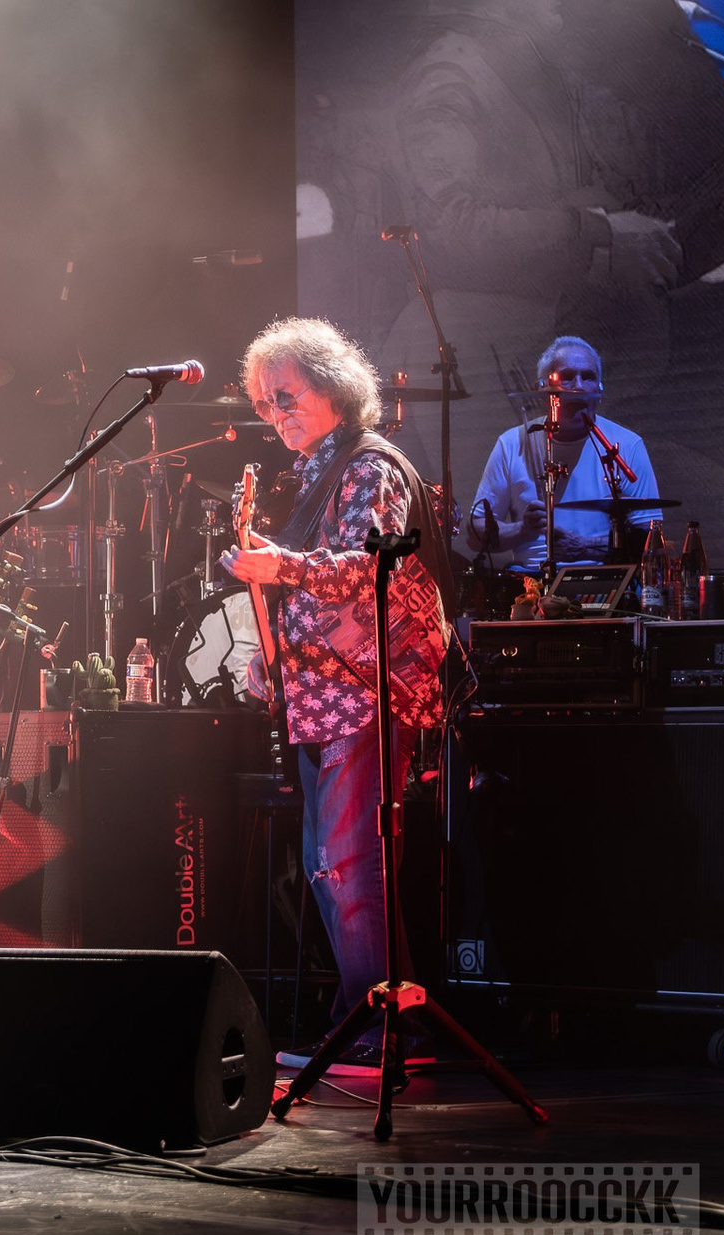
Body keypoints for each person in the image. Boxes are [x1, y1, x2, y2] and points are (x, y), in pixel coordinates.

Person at [219, 319, 449, 1076]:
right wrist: (274, 663)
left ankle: (384, 1032)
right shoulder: (321, 472)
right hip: (327, 697)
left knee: (350, 866)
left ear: (332, 386)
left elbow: (366, 568)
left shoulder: (366, 466)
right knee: (335, 868)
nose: (274, 412)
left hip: (367, 696)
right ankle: (380, 1021)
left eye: (285, 395)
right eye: (264, 403)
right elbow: (320, 596)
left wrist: (280, 566)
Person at [465, 335, 661, 572]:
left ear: (599, 390)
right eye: (567, 377)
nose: (579, 386)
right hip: (532, 582)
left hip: (605, 579)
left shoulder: (627, 445)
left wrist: (584, 547)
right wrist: (523, 529)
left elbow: (651, 538)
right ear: (543, 389)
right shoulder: (511, 444)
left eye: (588, 377)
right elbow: (475, 536)